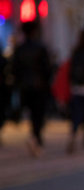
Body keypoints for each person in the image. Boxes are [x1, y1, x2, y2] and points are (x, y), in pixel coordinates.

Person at [11, 21, 51, 157]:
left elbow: (14, 70)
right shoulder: (40, 47)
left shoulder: (19, 49)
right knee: (38, 114)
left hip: (24, 87)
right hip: (39, 86)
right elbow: (47, 69)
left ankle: (35, 138)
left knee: (31, 114)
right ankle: (36, 139)